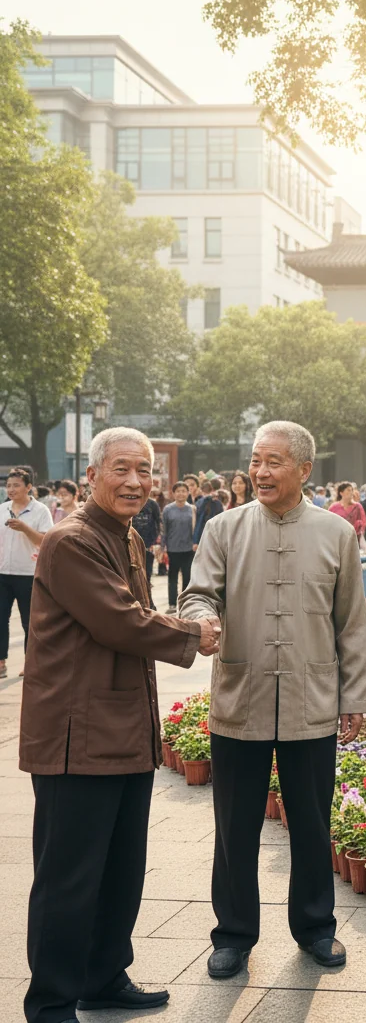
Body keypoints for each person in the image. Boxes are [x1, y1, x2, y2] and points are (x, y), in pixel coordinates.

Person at [20, 428, 218, 1023]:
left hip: (124, 729)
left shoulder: (124, 534)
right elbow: (119, 621)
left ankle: (103, 978)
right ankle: (51, 1003)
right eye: (122, 469)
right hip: (77, 736)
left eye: (144, 471)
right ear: (92, 475)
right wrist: (193, 633)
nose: (136, 482)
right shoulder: (72, 541)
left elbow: (131, 620)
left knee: (121, 870)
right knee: (69, 879)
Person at [178, 421, 366, 979]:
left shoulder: (337, 533)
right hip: (242, 696)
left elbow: (350, 622)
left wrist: (353, 695)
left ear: (305, 470)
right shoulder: (224, 528)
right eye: (255, 461)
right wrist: (202, 618)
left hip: (313, 700)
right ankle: (233, 935)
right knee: (234, 827)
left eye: (274, 462)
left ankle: (316, 928)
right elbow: (197, 594)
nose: (259, 472)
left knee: (311, 823)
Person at [0, 467, 52, 680]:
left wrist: (24, 528)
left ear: (28, 487)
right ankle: (1, 662)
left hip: (28, 573)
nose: (11, 489)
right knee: (0, 619)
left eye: (16, 485)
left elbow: (45, 541)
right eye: (8, 485)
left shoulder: (40, 511)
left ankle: (30, 662)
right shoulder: (2, 509)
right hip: (2, 572)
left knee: (29, 621)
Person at [162, 482, 196, 610]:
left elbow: (196, 529)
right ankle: (172, 604)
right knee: (172, 577)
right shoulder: (168, 509)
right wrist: (163, 546)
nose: (180, 494)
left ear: (188, 493)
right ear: (173, 493)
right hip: (172, 548)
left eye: (183, 491)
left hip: (189, 549)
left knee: (187, 577)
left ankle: (185, 604)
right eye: (178, 491)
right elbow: (164, 529)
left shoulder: (193, 509)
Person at [131, 492, 163, 609]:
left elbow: (158, 523)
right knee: (134, 576)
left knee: (147, 576)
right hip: (131, 545)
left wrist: (157, 543)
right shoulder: (130, 502)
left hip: (148, 546)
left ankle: (149, 604)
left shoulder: (152, 504)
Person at [192, 479, 224, 549]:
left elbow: (199, 522)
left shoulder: (202, 502)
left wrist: (195, 541)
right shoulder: (218, 501)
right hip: (214, 536)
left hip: (204, 536)